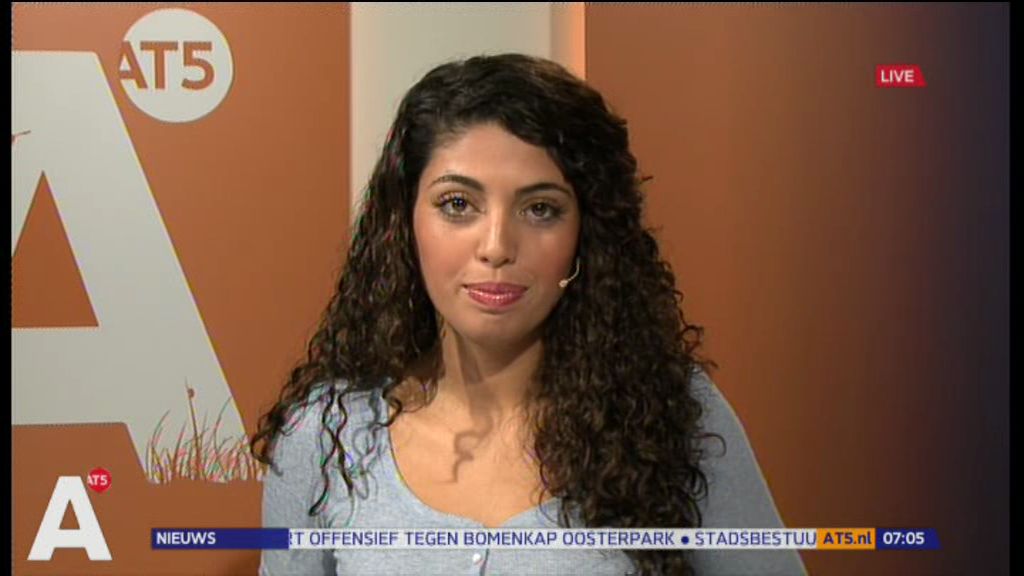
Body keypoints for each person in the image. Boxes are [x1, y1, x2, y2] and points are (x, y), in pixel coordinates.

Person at [252, 53, 807, 576]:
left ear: (586, 234)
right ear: (404, 223)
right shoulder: (326, 432)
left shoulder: (674, 414)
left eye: (540, 209)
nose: (496, 246)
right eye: (457, 204)